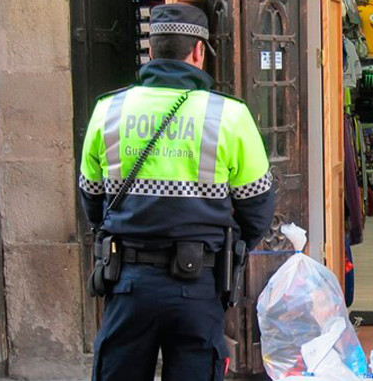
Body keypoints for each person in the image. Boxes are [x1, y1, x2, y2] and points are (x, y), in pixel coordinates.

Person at [78, 4, 275, 380]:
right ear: (198, 52)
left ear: (150, 51)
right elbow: (258, 208)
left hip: (126, 283)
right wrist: (230, 247)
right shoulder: (230, 115)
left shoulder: (109, 109)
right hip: (198, 285)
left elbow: (91, 198)